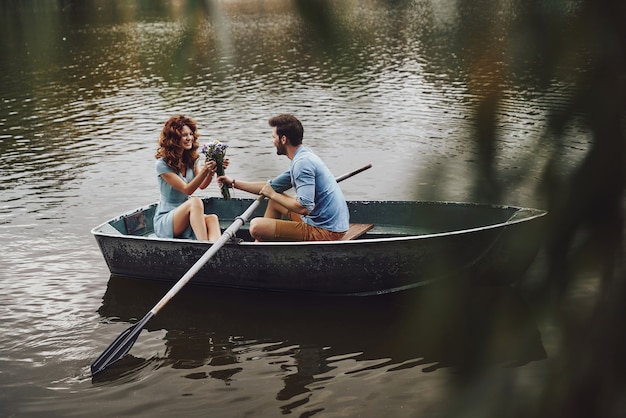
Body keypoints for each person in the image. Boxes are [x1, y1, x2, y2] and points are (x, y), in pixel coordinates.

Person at [218, 114, 349, 241]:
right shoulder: (303, 155)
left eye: (273, 137)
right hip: (323, 222)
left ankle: (260, 248)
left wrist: (273, 194)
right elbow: (269, 187)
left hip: (326, 231)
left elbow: (304, 208)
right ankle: (263, 246)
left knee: (256, 226)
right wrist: (233, 183)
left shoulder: (302, 164)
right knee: (275, 202)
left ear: (283, 139)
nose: (273, 141)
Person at [154, 115, 227, 241]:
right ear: (174, 139)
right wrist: (205, 169)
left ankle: (215, 252)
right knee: (195, 201)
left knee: (212, 218)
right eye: (184, 135)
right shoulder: (162, 165)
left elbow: (202, 185)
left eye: (191, 134)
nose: (189, 138)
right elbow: (187, 190)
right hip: (167, 218)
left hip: (187, 212)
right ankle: (203, 246)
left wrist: (212, 170)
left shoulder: (191, 159)